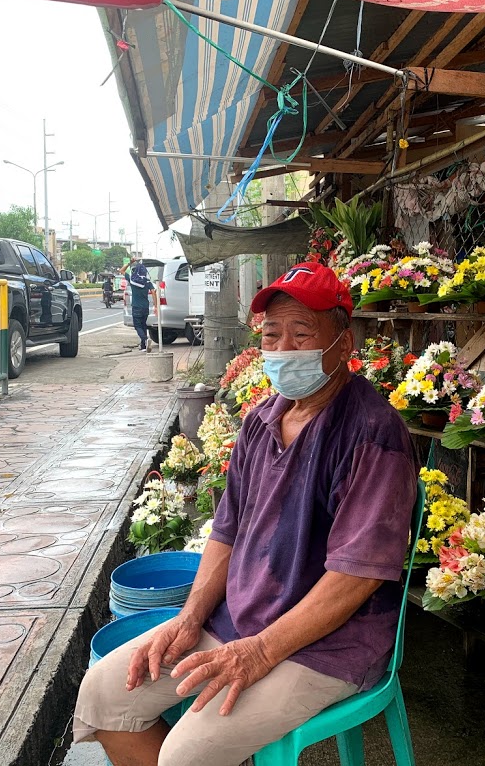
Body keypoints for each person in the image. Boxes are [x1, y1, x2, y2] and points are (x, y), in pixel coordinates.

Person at [73, 262, 419, 766]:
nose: (283, 349)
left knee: (187, 753)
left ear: (344, 345)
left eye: (302, 334)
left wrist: (260, 651)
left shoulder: (372, 432)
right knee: (104, 692)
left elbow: (356, 576)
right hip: (238, 618)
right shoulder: (261, 419)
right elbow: (226, 531)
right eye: (272, 334)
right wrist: (190, 619)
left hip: (328, 642)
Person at [128, 262, 155, 351]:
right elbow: (153, 291)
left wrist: (130, 263)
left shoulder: (132, 280)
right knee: (143, 325)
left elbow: (121, 270)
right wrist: (155, 304)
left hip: (136, 307)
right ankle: (143, 346)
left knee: (137, 326)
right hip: (145, 307)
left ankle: (145, 340)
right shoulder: (147, 282)